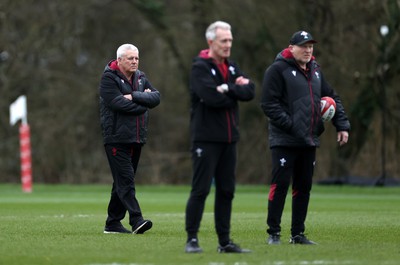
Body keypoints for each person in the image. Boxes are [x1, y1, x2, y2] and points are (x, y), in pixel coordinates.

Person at [260, 31, 350, 245]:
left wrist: (342, 125)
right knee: (280, 185)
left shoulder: (316, 71)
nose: (308, 50)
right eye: (303, 46)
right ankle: (274, 233)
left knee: (303, 187)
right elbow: (268, 105)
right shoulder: (277, 70)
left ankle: (297, 234)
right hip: (284, 139)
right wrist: (292, 126)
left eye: (311, 46)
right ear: (291, 47)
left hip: (309, 139)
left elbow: (332, 97)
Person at [184, 21, 255, 253]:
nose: (228, 45)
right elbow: (211, 98)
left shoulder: (232, 67)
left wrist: (227, 89)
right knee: (201, 189)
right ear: (211, 41)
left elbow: (250, 91)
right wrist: (234, 90)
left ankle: (224, 242)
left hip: (229, 139)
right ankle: (192, 239)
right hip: (206, 139)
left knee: (226, 191)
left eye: (230, 41)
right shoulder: (199, 68)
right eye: (224, 41)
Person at [99, 44, 160, 234]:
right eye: (130, 58)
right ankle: (136, 220)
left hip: (136, 137)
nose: (134, 61)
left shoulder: (141, 77)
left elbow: (156, 97)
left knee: (122, 181)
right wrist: (143, 101)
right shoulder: (108, 78)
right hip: (116, 138)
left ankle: (113, 223)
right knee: (126, 181)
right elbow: (117, 104)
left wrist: (133, 96)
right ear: (119, 60)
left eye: (136, 58)